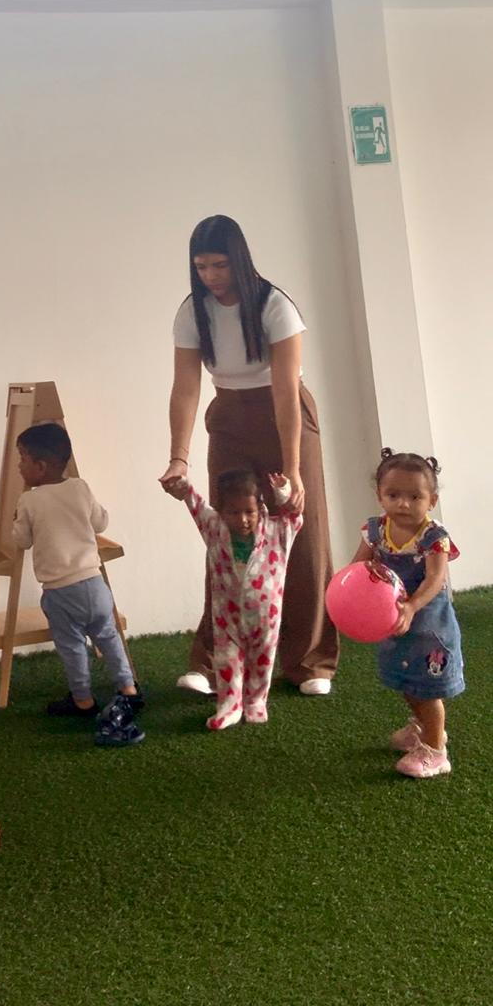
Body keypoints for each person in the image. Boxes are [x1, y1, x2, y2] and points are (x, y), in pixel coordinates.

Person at [161, 214, 338, 696]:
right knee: (228, 534)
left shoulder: (275, 306)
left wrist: (293, 470)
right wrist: (179, 457)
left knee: (301, 531)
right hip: (229, 415)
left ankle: (310, 662)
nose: (211, 276)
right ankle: (213, 662)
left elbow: (285, 391)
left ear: (239, 260)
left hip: (285, 414)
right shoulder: (192, 311)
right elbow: (185, 387)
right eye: (201, 267)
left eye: (220, 265)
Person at [11, 422, 144, 746]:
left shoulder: (29, 500)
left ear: (40, 467)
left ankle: (83, 699)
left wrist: (15, 522)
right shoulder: (80, 488)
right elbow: (100, 521)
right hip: (94, 584)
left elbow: (22, 540)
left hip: (60, 591)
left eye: (23, 459)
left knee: (71, 645)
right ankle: (128, 688)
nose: (19, 466)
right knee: (108, 635)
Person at [350, 449, 464, 779]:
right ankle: (421, 728)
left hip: (428, 623)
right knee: (406, 680)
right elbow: (360, 566)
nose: (403, 503)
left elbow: (435, 579)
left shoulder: (434, 537)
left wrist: (412, 606)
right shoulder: (375, 530)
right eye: (393, 495)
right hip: (395, 618)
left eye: (415, 497)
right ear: (380, 495)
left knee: (427, 688)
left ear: (432, 501)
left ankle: (436, 749)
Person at [163, 469, 302, 728]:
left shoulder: (276, 532)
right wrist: (182, 486)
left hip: (266, 619)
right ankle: (229, 705)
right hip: (227, 618)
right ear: (221, 512)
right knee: (227, 661)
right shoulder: (215, 529)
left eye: (249, 512)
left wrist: (283, 494)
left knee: (262, 663)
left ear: (260, 508)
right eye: (234, 512)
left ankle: (255, 701)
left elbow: (294, 519)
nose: (243, 519)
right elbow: (197, 506)